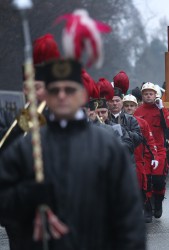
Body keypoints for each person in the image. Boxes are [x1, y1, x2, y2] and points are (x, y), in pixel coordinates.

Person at [0, 58, 146, 249]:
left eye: (69, 90)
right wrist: (28, 195)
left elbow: (129, 214)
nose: (62, 96)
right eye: (55, 90)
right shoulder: (26, 146)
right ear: (47, 96)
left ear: (81, 95)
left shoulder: (107, 146)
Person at [134, 82, 169, 219]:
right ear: (142, 96)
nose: (148, 96)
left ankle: (158, 203)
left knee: (158, 180)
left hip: (159, 151)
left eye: (151, 94)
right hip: (143, 151)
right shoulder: (138, 112)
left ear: (155, 95)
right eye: (146, 94)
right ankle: (147, 209)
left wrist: (162, 109)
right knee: (145, 181)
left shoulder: (161, 110)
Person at [123, 94, 159, 223]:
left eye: (131, 106)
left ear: (136, 107)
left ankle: (147, 209)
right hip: (124, 160)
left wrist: (154, 156)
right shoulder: (118, 121)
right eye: (126, 106)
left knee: (143, 186)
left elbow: (149, 140)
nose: (129, 108)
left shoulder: (142, 122)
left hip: (139, 160)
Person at [108, 71, 143, 152]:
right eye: (112, 101)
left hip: (127, 158)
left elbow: (139, 139)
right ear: (108, 102)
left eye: (117, 101)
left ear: (122, 102)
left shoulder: (130, 119)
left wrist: (124, 131)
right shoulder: (105, 118)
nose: (115, 103)